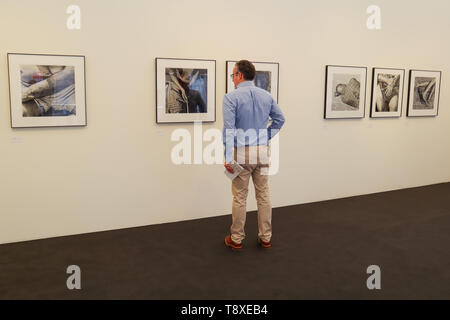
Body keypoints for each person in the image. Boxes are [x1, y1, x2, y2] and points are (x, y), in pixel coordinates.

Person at [222, 60, 285, 251]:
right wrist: (265, 135)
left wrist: (227, 157)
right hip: (263, 152)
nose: (232, 79)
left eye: (233, 75)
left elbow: (229, 130)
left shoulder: (231, 97)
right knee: (263, 194)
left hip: (242, 152)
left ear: (240, 75)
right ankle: (265, 237)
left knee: (240, 196)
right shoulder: (266, 95)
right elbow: (280, 119)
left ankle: (236, 239)